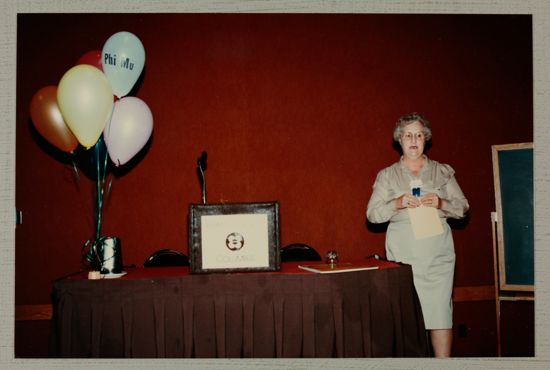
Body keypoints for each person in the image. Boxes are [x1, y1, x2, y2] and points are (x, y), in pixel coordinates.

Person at [366, 112, 469, 358]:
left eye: (419, 134)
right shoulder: (386, 175)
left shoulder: (442, 172)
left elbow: (463, 207)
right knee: (407, 320)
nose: (414, 139)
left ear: (426, 139)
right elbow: (372, 214)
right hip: (404, 259)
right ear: (399, 140)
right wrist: (397, 203)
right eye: (408, 135)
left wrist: (442, 202)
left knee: (440, 315)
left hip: (437, 259)